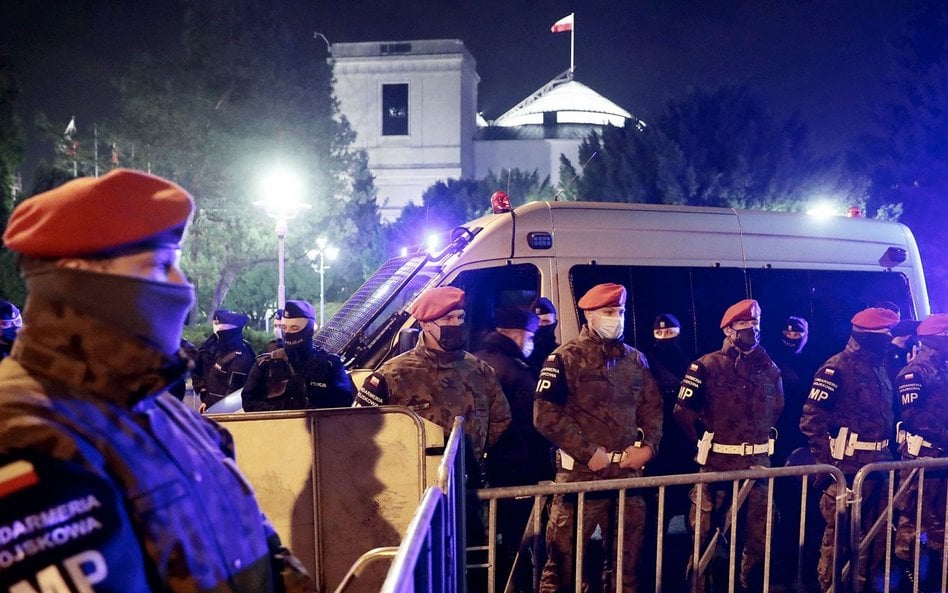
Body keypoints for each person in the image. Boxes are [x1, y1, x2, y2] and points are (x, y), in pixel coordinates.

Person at [0, 169, 314, 592]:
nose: (182, 287)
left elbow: (258, 546)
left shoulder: (160, 405)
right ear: (79, 278)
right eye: (161, 266)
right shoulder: (26, 431)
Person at [534, 283, 663, 593]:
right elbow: (545, 416)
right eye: (608, 312)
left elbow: (653, 410)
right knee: (563, 567)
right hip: (580, 478)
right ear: (589, 314)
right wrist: (588, 451)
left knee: (625, 568)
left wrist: (648, 448)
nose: (615, 318)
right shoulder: (564, 358)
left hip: (628, 479)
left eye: (619, 312)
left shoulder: (636, 360)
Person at [673, 298, 784, 593]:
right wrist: (703, 442)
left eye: (755, 324)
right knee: (706, 541)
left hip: (758, 468)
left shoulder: (769, 368)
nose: (752, 330)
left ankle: (750, 586)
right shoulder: (707, 366)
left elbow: (777, 408)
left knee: (759, 539)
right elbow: (683, 411)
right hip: (716, 468)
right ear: (728, 330)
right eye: (743, 324)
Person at [799, 306, 899, 593]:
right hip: (848, 469)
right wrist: (829, 466)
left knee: (875, 538)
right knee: (839, 540)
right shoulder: (836, 368)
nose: (888, 339)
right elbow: (811, 419)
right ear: (865, 336)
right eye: (883, 334)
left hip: (878, 466)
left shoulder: (878, 366)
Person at [356, 286, 511, 465]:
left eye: (460, 317)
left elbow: (501, 419)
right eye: (448, 318)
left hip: (467, 483)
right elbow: (361, 429)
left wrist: (471, 456)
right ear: (426, 324)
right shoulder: (392, 375)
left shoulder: (480, 370)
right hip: (414, 484)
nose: (456, 324)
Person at [475, 306, 552, 592]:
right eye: (531, 336)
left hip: (494, 465)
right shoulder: (514, 369)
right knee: (517, 537)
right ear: (519, 335)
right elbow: (528, 422)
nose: (532, 342)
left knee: (498, 533)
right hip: (516, 465)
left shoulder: (480, 359)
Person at [893, 313, 948, 589]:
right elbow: (912, 414)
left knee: (940, 526)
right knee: (914, 524)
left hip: (942, 460)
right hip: (922, 459)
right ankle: (909, 581)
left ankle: (935, 579)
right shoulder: (916, 371)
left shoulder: (943, 368)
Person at [242, 299, 354, 411]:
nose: (288, 333)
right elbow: (249, 403)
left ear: (309, 329)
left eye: (295, 328)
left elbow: (345, 403)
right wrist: (283, 413)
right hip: (275, 427)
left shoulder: (330, 365)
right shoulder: (265, 365)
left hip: (317, 426)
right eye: (284, 328)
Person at [771, 315, 815, 465]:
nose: (791, 338)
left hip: (802, 425)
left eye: (796, 335)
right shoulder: (770, 360)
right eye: (787, 334)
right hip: (777, 424)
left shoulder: (812, 363)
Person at [192, 309, 256, 408]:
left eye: (219, 324)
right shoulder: (211, 346)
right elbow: (199, 370)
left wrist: (210, 404)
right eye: (215, 323)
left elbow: (233, 393)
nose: (216, 328)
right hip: (212, 407)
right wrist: (203, 393)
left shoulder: (240, 356)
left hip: (225, 412)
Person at [527, 296, 559, 374]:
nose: (541, 325)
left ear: (554, 323)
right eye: (536, 322)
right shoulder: (522, 354)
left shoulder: (560, 354)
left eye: (546, 321)